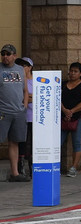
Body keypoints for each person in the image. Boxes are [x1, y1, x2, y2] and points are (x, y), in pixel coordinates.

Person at [1, 44, 29, 182]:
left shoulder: (20, 70)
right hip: (3, 112)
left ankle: (15, 173)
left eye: (8, 54)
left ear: (14, 56)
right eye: (3, 54)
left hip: (18, 112)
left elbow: (25, 90)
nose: (5, 57)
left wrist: (24, 106)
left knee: (14, 142)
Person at [61, 61, 81, 177]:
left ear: (80, 73)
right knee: (58, 142)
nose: (72, 73)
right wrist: (65, 110)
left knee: (76, 142)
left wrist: (72, 111)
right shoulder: (63, 84)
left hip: (78, 118)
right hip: (63, 117)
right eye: (71, 71)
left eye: (75, 71)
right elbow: (57, 98)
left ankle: (74, 167)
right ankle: (56, 166)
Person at [14, 55, 34, 179]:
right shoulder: (17, 80)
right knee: (21, 142)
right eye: (20, 65)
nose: (22, 68)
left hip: (34, 117)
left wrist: (29, 96)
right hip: (22, 115)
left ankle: (32, 168)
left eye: (24, 65)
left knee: (32, 143)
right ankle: (20, 168)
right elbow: (20, 97)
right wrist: (29, 97)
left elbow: (39, 96)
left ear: (30, 67)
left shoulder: (36, 80)